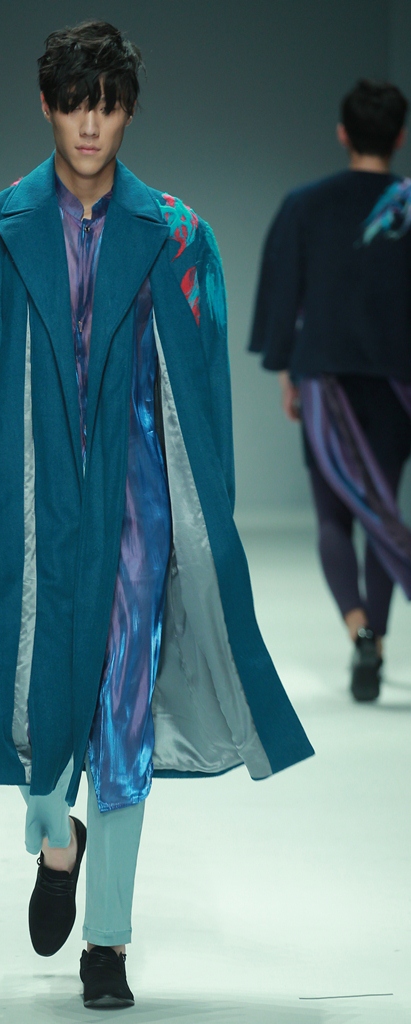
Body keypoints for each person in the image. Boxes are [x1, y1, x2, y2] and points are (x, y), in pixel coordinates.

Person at [0, 20, 313, 1009]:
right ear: (46, 105)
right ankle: (54, 838)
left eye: (105, 104)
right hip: (29, 499)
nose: (89, 124)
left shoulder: (179, 234)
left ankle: (106, 939)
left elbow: (204, 394)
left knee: (121, 717)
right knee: (30, 695)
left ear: (128, 110)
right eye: (73, 103)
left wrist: (203, 523)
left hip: (138, 501)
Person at [249, 80, 411, 704]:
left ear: (343, 133)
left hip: (325, 380)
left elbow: (282, 293)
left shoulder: (305, 205)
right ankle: (378, 640)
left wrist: (287, 371)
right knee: (383, 513)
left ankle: (360, 632)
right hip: (396, 383)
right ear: (399, 137)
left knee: (333, 519)